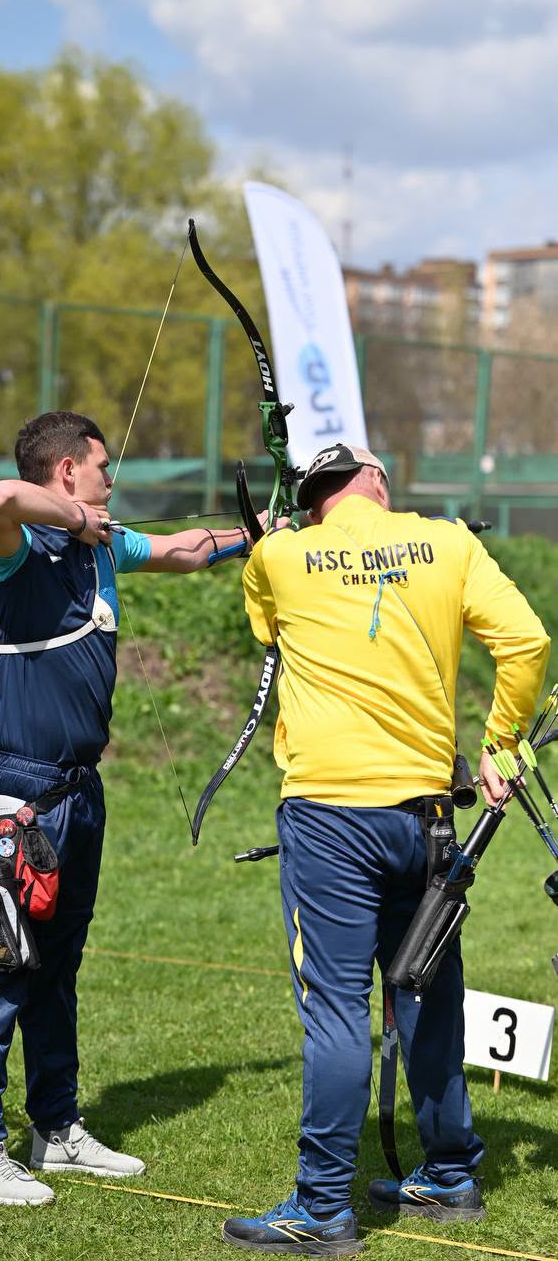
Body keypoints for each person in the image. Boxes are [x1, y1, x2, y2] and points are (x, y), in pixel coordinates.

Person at [221, 443, 551, 1256]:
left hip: (332, 815)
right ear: (372, 482)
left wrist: (276, 534)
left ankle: (322, 1207)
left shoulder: (281, 555)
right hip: (428, 817)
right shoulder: (447, 541)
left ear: (312, 496)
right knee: (425, 995)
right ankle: (448, 1174)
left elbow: (264, 620)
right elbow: (527, 641)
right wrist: (499, 741)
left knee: (336, 1006)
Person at [0, 410, 259, 1206]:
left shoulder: (102, 551)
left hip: (77, 792)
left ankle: (55, 1130)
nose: (111, 481)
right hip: (17, 792)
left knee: (56, 969)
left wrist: (260, 532)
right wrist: (76, 519)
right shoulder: (12, 553)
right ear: (65, 474)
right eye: (101, 469)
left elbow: (183, 550)